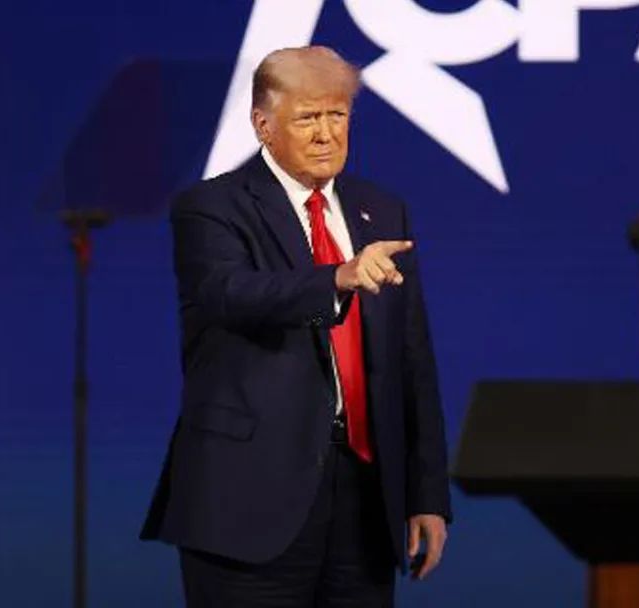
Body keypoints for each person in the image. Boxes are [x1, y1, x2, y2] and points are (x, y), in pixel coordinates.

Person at [140, 46, 451, 607]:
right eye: (307, 118)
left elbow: (411, 359)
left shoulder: (382, 210)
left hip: (364, 502)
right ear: (263, 125)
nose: (326, 134)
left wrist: (427, 492)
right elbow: (233, 295)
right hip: (247, 498)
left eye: (337, 115)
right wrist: (337, 278)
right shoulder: (212, 207)